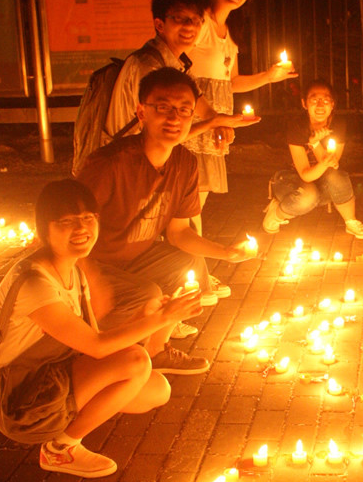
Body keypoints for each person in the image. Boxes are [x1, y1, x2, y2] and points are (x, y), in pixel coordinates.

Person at [0, 180, 200, 478]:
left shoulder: (73, 270)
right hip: (20, 402)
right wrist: (162, 320)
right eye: (67, 222)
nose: (82, 229)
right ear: (43, 230)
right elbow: (97, 346)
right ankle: (61, 449)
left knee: (156, 390)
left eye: (88, 219)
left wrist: (151, 314)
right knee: (136, 363)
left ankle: (73, 417)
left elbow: (94, 342)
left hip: (52, 372)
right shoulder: (35, 283)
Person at [78, 67, 258, 374]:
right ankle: (98, 353)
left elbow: (178, 233)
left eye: (184, 110)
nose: (174, 118)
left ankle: (157, 350)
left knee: (189, 264)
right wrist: (91, 275)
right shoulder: (108, 164)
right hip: (94, 263)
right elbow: (64, 227)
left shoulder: (184, 163)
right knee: (146, 295)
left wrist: (226, 253)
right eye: (162, 107)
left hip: (135, 258)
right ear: (141, 112)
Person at [185, 0, 297, 220]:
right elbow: (181, 73)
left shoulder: (230, 32)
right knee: (187, 194)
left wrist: (270, 76)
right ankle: (185, 251)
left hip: (216, 121)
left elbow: (230, 83)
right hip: (195, 117)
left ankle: (189, 251)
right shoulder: (200, 23)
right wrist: (211, 117)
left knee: (198, 197)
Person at [262, 79, 363, 238]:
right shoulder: (297, 127)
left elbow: (331, 166)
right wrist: (315, 146)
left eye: (325, 100)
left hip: (319, 178)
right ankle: (277, 213)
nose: (320, 105)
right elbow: (306, 174)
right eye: (314, 100)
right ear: (304, 103)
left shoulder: (338, 125)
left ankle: (351, 222)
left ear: (333, 104)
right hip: (290, 179)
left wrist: (315, 144)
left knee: (338, 176)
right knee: (308, 197)